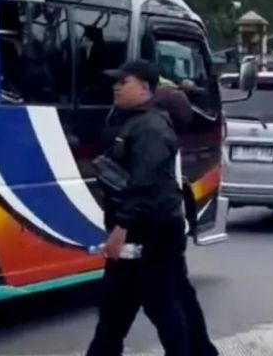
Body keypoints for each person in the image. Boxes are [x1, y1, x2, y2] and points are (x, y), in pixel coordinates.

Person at [86, 60, 217, 356]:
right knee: (116, 309)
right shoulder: (131, 120)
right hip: (142, 233)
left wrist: (121, 229)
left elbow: (146, 186)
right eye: (115, 81)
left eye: (124, 81)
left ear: (145, 88)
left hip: (151, 235)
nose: (116, 86)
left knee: (163, 307)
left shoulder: (150, 128)